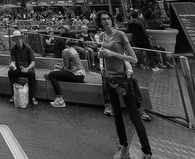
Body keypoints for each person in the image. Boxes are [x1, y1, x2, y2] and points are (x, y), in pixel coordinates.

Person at [96, 11, 153, 159]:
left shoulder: (120, 35)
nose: (107, 21)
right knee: (117, 116)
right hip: (109, 79)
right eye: (103, 19)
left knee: (134, 116)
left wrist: (113, 54)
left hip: (123, 79)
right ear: (100, 22)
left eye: (108, 18)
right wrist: (102, 57)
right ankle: (123, 148)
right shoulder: (102, 36)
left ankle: (147, 151)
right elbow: (104, 55)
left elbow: (133, 59)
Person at [44, 38, 85, 108]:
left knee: (52, 75)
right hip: (80, 74)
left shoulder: (64, 52)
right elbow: (68, 65)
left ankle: (60, 100)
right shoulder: (70, 49)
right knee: (56, 73)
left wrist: (57, 68)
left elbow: (65, 68)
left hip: (76, 75)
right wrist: (59, 66)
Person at [8, 30, 38, 106]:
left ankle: (32, 96)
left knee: (32, 74)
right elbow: (13, 61)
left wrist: (27, 68)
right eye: (16, 39)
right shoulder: (13, 50)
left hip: (27, 67)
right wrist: (12, 66)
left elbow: (33, 63)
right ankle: (14, 94)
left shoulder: (28, 48)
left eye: (19, 38)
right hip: (18, 68)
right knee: (11, 72)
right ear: (14, 40)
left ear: (22, 39)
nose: (18, 40)